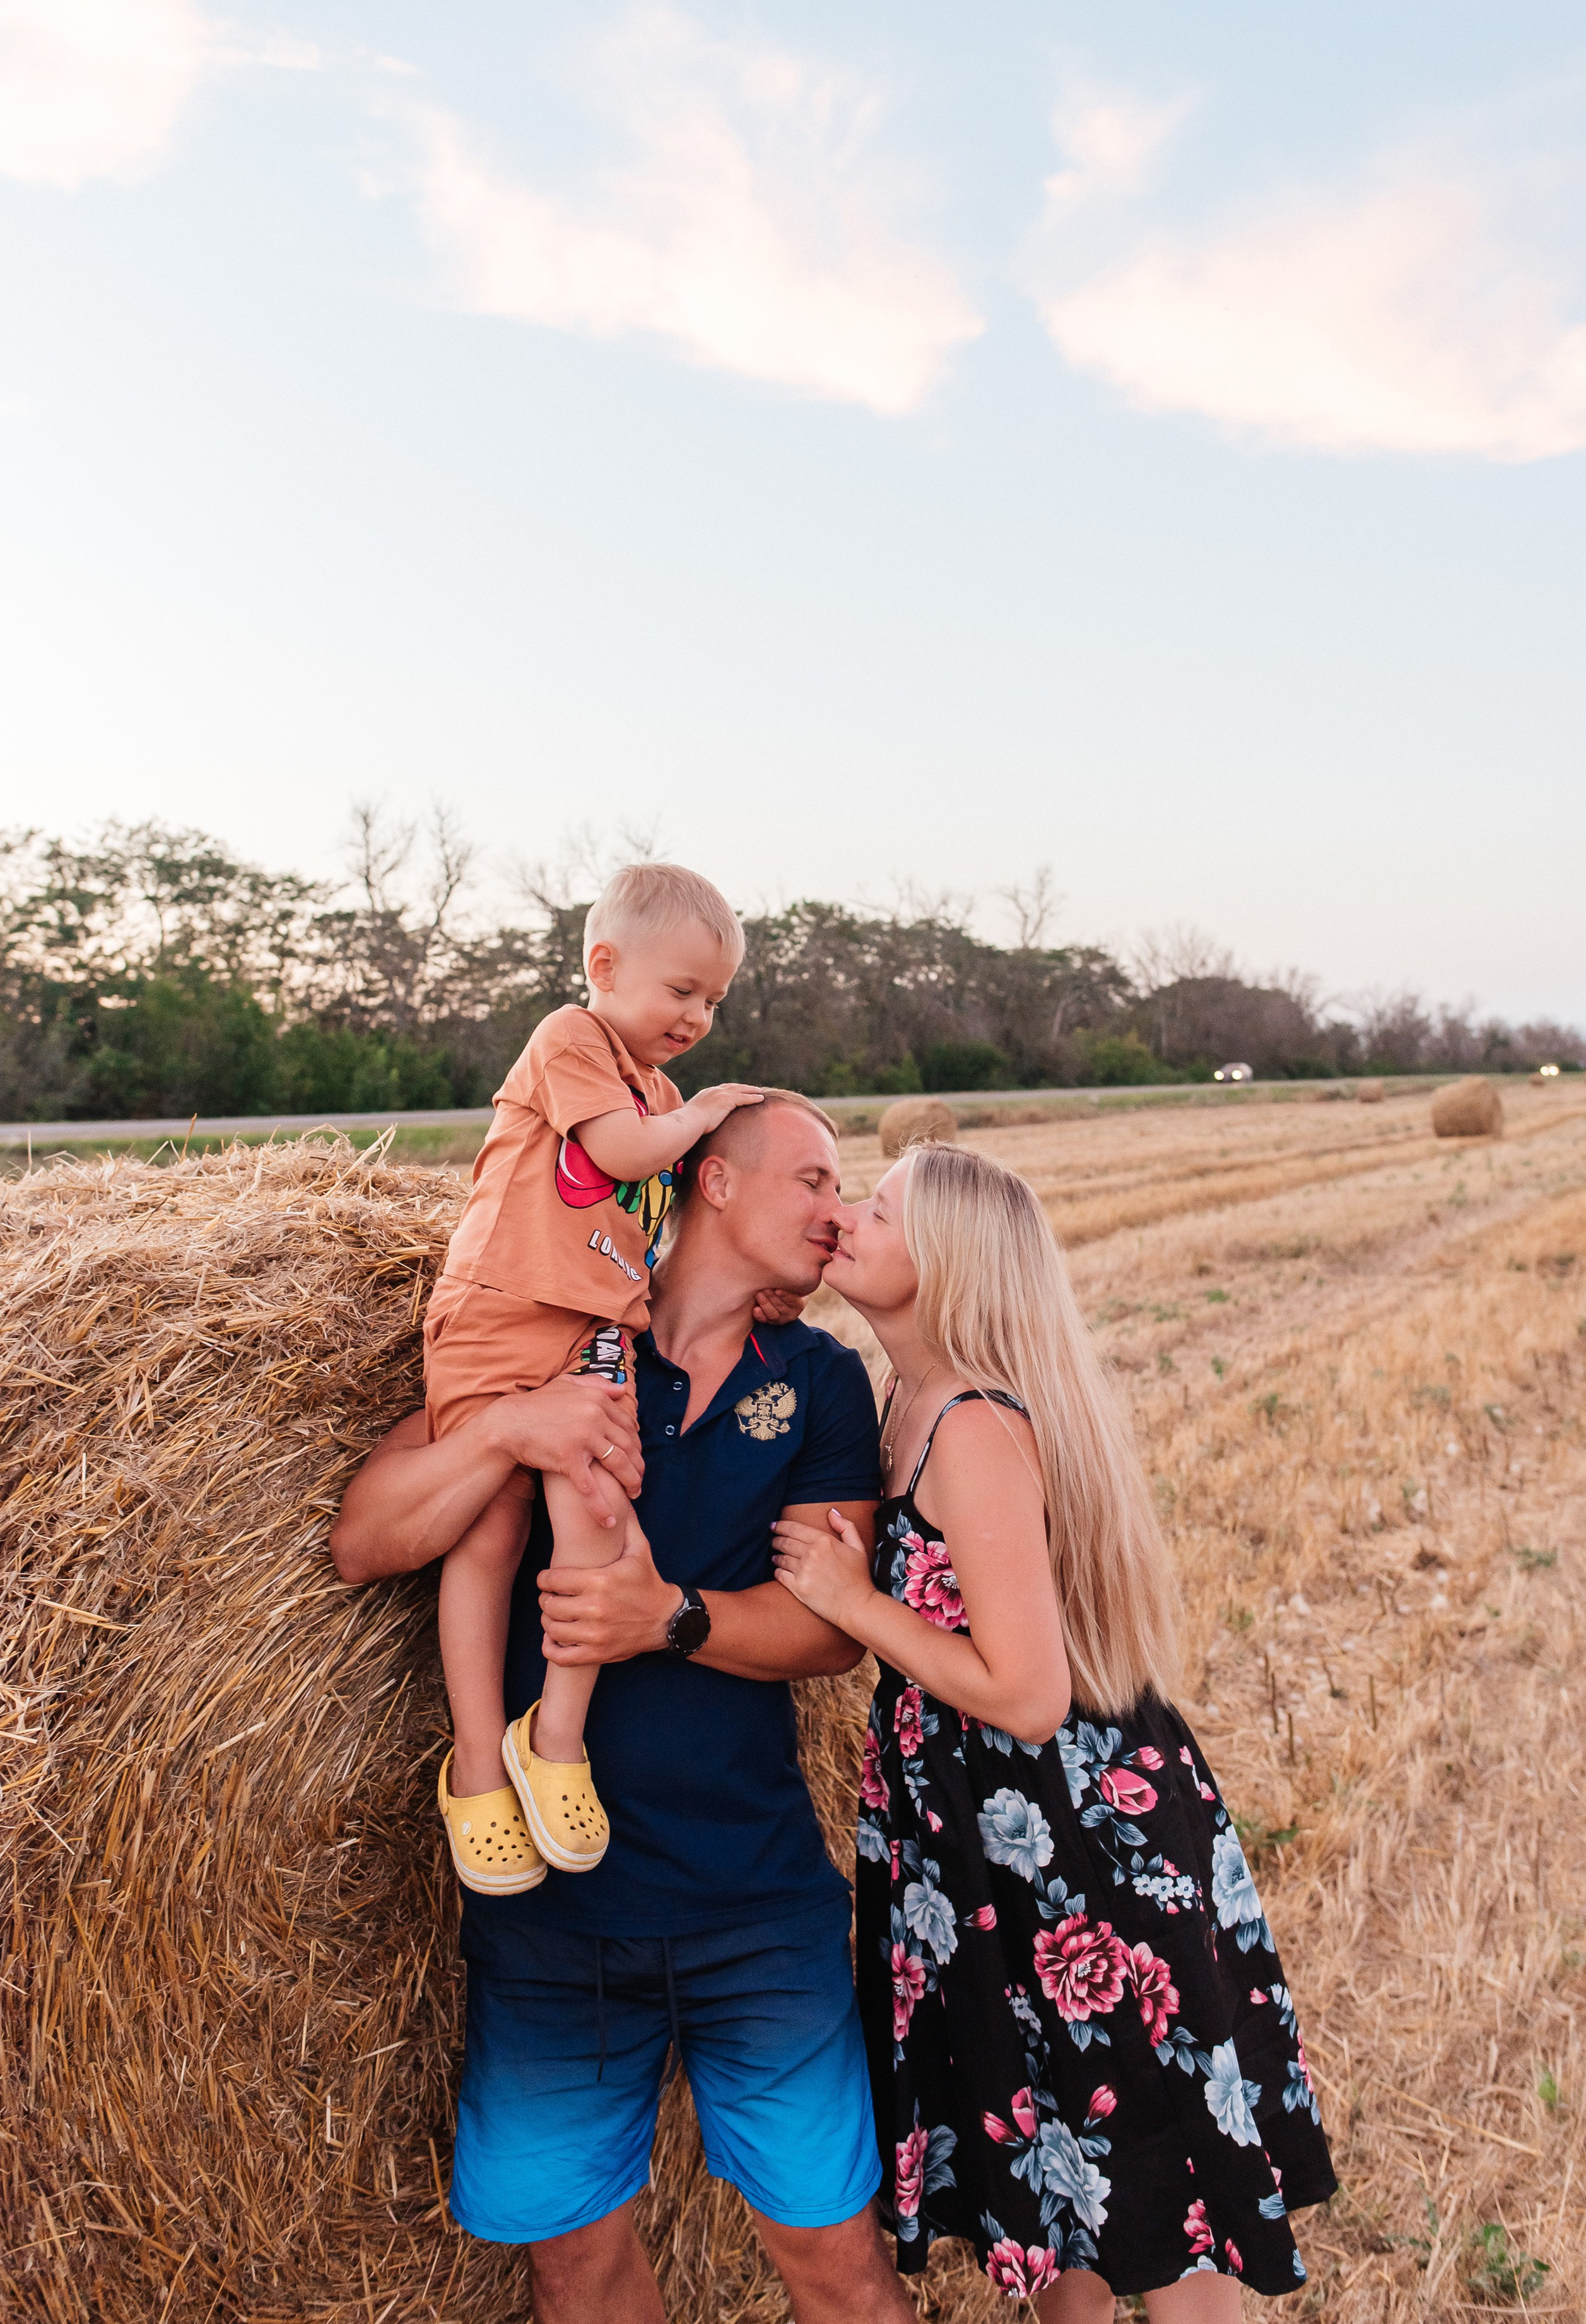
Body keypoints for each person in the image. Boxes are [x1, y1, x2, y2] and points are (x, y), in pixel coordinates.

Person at [331, 1093, 918, 2324]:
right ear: (710, 1179)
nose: (835, 1210)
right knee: (575, 2261)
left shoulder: (819, 1383)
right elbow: (368, 1538)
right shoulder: (559, 1334)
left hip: (753, 1900)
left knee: (835, 2265)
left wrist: (672, 1618)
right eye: (810, 1178)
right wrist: (509, 1427)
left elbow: (829, 1631)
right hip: (552, 1919)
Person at [772, 1141, 1337, 2320]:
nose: (848, 1220)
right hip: (985, 1836)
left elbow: (1027, 1694)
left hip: (1076, 1841)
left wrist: (855, 1604)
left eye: (879, 1209)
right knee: (1051, 2176)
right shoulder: (907, 1399)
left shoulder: (973, 1428)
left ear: (950, 1265)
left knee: (1159, 2175)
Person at [424, 860, 767, 1892]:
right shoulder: (571, 1042)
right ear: (605, 966)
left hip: (593, 1336)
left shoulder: (660, 1091)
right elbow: (619, 1155)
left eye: (714, 1000)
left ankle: (555, 1735)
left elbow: (657, 1227)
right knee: (485, 1524)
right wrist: (704, 1114)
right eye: (682, 991)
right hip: (500, 1314)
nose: (699, 1015)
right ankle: (478, 1759)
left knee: (600, 1512)